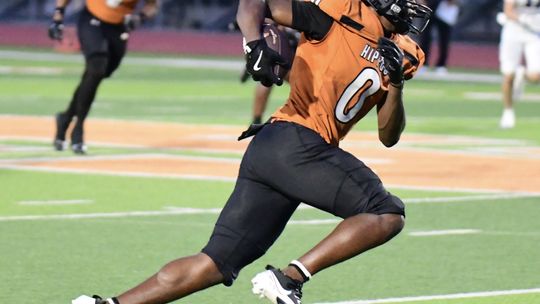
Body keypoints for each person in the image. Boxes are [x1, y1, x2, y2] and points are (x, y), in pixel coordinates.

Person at [72, 0, 431, 303]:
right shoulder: (340, 14)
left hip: (276, 150)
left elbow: (389, 135)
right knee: (386, 212)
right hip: (297, 142)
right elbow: (254, 4)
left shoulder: (402, 52)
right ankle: (290, 278)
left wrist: (396, 82)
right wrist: (253, 43)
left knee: (214, 264)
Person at [48, 0, 159, 154]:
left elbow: (152, 5)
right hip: (92, 19)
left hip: (118, 27)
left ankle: (65, 118)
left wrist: (140, 17)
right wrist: (58, 15)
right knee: (96, 68)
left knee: (97, 75)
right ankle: (78, 128)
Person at [240, 25, 299, 125]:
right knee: (301, 86)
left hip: (287, 43)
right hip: (287, 44)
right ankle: (257, 120)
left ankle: (256, 120)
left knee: (268, 79)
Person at [497, 0, 540, 129]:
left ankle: (522, 74)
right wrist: (523, 19)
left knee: (537, 75)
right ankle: (508, 111)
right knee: (508, 74)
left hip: (534, 33)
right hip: (513, 31)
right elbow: (508, 10)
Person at [418, 0, 460, 74]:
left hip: (445, 6)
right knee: (425, 37)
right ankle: (423, 63)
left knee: (444, 39)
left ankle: (441, 65)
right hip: (429, 5)